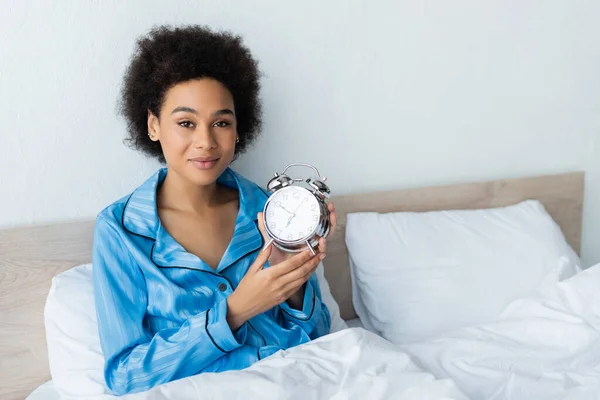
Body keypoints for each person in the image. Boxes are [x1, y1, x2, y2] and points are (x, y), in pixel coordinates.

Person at [92, 25, 336, 396]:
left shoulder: (272, 210)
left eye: (221, 122)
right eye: (186, 123)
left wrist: (292, 273)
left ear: (239, 129)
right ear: (153, 125)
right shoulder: (120, 231)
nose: (205, 142)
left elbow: (320, 337)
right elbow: (125, 376)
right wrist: (234, 311)